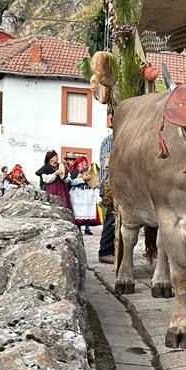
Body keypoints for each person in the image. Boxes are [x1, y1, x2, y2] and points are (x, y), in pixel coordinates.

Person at [98, 111, 115, 264]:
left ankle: (114, 250)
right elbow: (108, 165)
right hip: (110, 184)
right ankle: (105, 251)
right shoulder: (111, 140)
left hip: (114, 184)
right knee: (111, 218)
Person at [69, 156, 101, 235]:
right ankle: (79, 228)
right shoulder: (75, 171)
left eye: (85, 162)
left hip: (88, 192)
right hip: (78, 193)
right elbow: (72, 182)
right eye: (82, 162)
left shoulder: (89, 171)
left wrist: (95, 183)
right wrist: (82, 179)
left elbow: (94, 180)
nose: (84, 163)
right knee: (79, 211)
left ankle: (87, 228)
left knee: (88, 209)